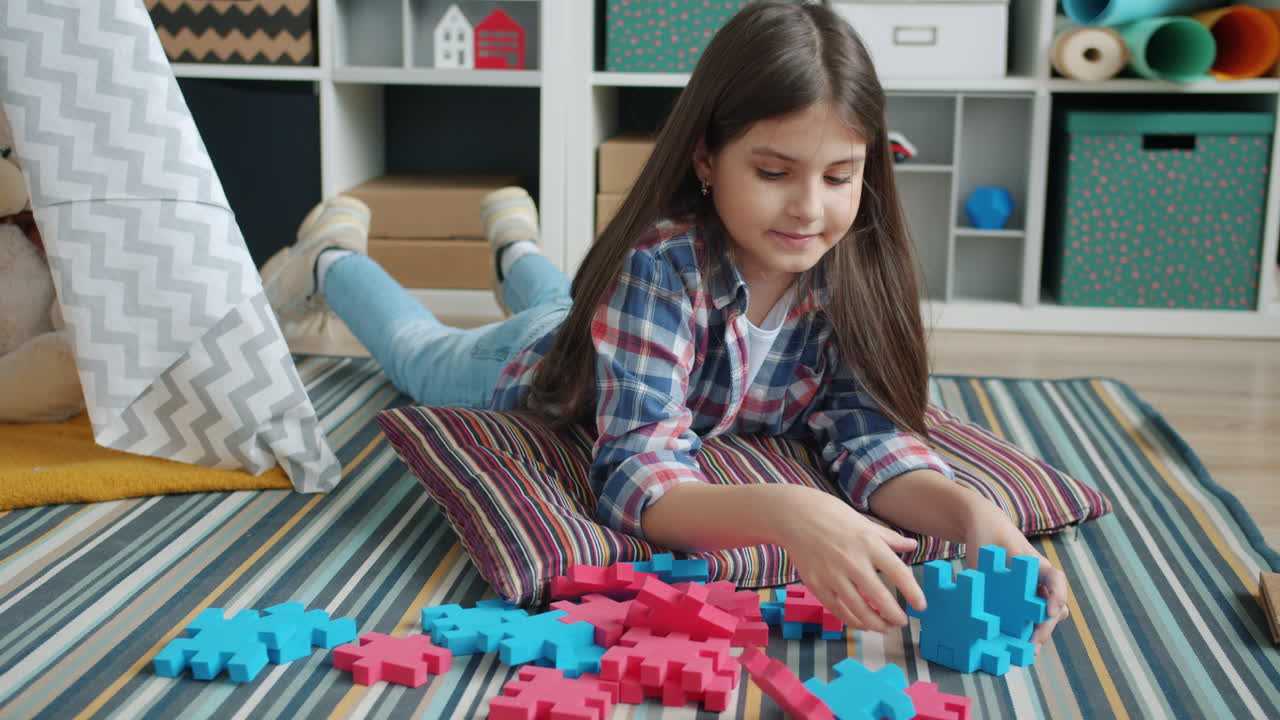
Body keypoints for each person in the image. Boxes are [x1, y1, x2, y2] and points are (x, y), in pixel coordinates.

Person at [260, 1, 1070, 645]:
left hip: (595, 323)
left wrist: (975, 515)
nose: (809, 207)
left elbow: (870, 439)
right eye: (773, 171)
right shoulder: (659, 266)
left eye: (840, 175)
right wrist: (792, 511)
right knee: (422, 354)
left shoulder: (853, 268)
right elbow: (636, 475)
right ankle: (330, 258)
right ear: (707, 158)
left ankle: (516, 240)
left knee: (563, 302)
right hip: (537, 367)